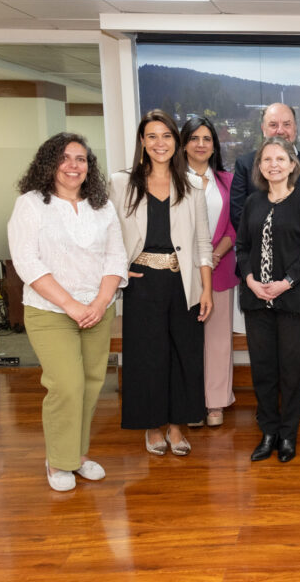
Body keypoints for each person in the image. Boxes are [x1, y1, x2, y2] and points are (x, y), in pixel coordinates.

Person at [7, 133, 127, 491]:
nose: (74, 166)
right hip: (50, 311)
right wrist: (72, 305)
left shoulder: (100, 205)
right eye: (65, 158)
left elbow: (115, 256)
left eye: (81, 159)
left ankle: (77, 455)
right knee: (66, 386)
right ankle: (58, 462)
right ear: (49, 163)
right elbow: (27, 262)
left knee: (91, 385)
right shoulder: (30, 204)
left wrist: (100, 302)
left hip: (96, 308)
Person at [110, 109, 213, 457]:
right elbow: (108, 238)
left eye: (166, 136)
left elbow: (202, 242)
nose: (160, 143)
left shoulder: (193, 184)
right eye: (152, 136)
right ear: (142, 141)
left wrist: (207, 288)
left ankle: (176, 425)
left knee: (183, 355)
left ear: (176, 142)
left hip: (182, 283)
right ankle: (152, 427)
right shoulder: (121, 183)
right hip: (141, 284)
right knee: (147, 357)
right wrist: (121, 271)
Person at [229, 102, 300, 421]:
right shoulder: (245, 165)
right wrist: (255, 277)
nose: (280, 130)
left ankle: (299, 402)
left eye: (286, 124)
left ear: (296, 128)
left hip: (296, 278)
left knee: (296, 350)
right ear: (263, 129)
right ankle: (269, 415)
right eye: (273, 125)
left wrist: (289, 278)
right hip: (257, 275)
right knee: (264, 356)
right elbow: (241, 218)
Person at [237, 137, 300, 464]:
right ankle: (268, 431)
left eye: (280, 159)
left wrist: (285, 283)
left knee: (291, 371)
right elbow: (243, 248)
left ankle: (288, 435)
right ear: (260, 167)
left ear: (291, 165)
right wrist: (250, 281)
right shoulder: (253, 204)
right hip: (256, 300)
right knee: (263, 370)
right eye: (267, 159)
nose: (274, 164)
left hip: (293, 301)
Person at [180, 116, 237, 427]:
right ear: (184, 144)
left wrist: (212, 256)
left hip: (219, 268)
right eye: (194, 138)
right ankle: (190, 403)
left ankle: (215, 403)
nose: (201, 144)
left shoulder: (227, 181)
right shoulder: (172, 180)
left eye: (207, 139)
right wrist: (196, 259)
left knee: (217, 341)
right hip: (182, 272)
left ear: (214, 145)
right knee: (187, 341)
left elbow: (233, 226)